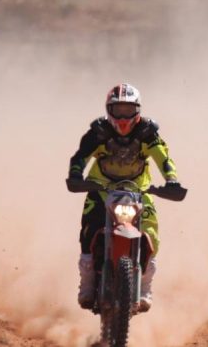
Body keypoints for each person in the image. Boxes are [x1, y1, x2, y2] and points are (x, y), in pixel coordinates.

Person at [68, 83, 180, 312]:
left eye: (127, 110)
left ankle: (145, 287)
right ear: (108, 109)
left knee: (151, 236)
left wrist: (171, 179)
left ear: (137, 110)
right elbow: (80, 157)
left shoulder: (148, 133)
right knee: (88, 232)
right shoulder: (97, 132)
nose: (122, 116)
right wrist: (76, 175)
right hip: (101, 189)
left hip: (139, 192)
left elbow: (164, 158)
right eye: (117, 109)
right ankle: (87, 285)